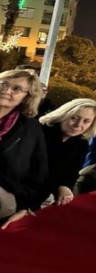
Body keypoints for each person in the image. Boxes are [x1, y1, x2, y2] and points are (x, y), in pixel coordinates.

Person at [0, 69, 46, 229]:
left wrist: (26, 206)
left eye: (16, 89)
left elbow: (38, 172)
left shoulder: (30, 128)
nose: (6, 91)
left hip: (6, 200)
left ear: (27, 97)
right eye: (3, 84)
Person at [37, 99, 96, 207]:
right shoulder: (39, 131)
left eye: (86, 121)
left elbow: (71, 172)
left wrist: (65, 185)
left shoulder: (81, 143)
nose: (78, 125)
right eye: (74, 118)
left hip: (43, 194)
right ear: (63, 114)